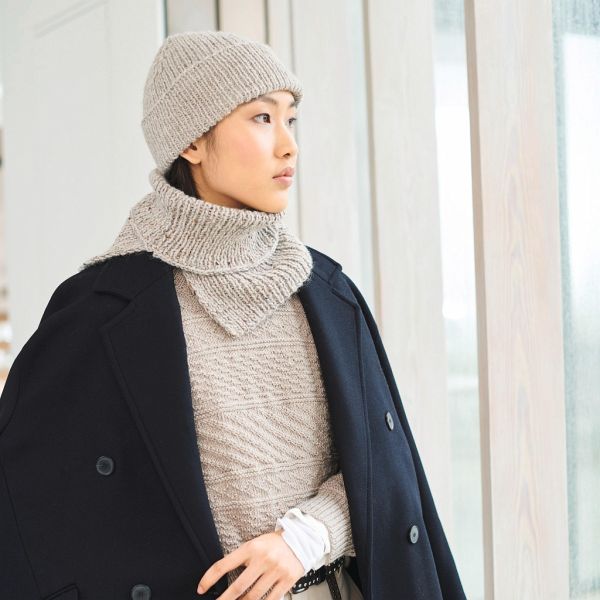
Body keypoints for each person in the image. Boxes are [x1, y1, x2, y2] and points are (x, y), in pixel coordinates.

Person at [79, 30, 362, 600]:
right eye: (262, 118)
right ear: (191, 141)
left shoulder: (326, 291)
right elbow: (49, 511)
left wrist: (309, 536)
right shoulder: (103, 310)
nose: (289, 146)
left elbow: (383, 464)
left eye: (291, 120)